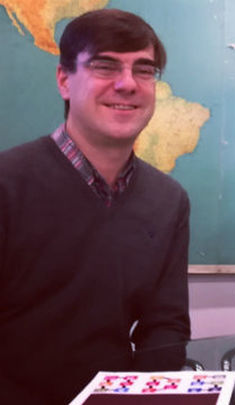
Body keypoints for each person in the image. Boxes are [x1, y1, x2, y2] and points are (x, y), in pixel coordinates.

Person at [0, 9, 190, 403]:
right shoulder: (7, 184)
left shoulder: (168, 200)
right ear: (64, 80)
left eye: (144, 70)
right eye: (105, 66)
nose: (128, 84)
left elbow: (164, 325)